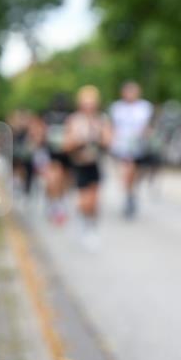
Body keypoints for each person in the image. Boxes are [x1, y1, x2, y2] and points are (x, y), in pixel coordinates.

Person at [64, 85, 111, 249]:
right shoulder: (74, 120)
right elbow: (66, 145)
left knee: (94, 201)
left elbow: (109, 141)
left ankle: (91, 228)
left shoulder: (101, 120)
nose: (89, 106)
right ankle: (83, 223)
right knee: (84, 201)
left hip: (95, 163)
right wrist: (79, 140)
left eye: (92, 102)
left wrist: (97, 135)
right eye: (86, 102)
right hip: (79, 164)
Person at [109, 81, 155, 218]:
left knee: (136, 174)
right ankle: (129, 197)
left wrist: (147, 134)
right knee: (127, 171)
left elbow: (149, 126)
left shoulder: (145, 107)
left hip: (139, 146)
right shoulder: (117, 108)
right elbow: (112, 127)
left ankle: (132, 192)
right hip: (122, 146)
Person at [41, 95, 73, 225]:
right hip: (52, 154)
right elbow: (42, 134)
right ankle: (54, 204)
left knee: (64, 181)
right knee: (54, 180)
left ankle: (59, 202)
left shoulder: (69, 118)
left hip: (66, 154)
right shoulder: (48, 118)